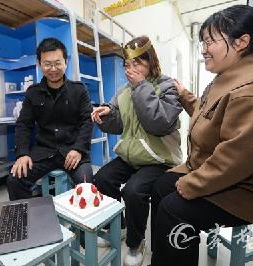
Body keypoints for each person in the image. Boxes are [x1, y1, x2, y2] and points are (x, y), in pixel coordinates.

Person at [150, 5, 253, 266]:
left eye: (210, 41)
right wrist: (185, 95)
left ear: (242, 42)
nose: (204, 49)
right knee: (161, 185)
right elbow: (209, 113)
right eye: (203, 42)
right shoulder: (229, 78)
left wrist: (193, 183)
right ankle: (163, 257)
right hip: (231, 174)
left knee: (173, 210)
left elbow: (238, 159)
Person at [91, 36, 183, 266]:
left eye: (137, 64)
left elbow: (158, 124)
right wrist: (104, 116)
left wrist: (141, 86)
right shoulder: (123, 91)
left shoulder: (168, 86)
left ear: (151, 62)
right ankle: (119, 226)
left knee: (133, 191)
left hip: (159, 158)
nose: (130, 70)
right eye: (127, 65)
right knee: (102, 178)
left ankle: (135, 241)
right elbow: (118, 124)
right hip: (132, 155)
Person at [7, 38, 94, 200]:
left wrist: (79, 149)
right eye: (47, 64)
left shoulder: (79, 90)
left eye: (57, 63)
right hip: (44, 152)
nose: (53, 69)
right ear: (40, 64)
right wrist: (22, 154)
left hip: (72, 151)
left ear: (65, 62)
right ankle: (29, 219)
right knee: (14, 180)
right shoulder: (32, 93)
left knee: (86, 185)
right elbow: (24, 125)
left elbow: (87, 122)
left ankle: (79, 224)